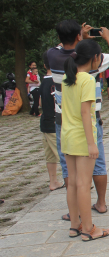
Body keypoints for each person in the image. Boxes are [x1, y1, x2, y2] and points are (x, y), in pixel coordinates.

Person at [47, 21, 109, 221]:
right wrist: (107, 37)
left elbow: (66, 50)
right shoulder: (89, 72)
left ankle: (75, 213)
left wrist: (81, 38)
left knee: (69, 171)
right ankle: (99, 205)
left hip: (63, 122)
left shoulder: (52, 56)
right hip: (88, 124)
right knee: (97, 165)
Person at [61, 39, 109, 241]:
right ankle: (89, 229)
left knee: (73, 183)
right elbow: (85, 113)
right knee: (83, 184)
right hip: (83, 137)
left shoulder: (69, 77)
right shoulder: (88, 80)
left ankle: (75, 225)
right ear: (95, 58)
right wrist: (92, 143)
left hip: (68, 136)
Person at [39, 54, 63, 191]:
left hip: (45, 123)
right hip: (55, 123)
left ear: (44, 66)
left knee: (50, 156)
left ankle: (53, 181)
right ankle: (74, 181)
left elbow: (40, 103)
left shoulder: (43, 82)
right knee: (63, 155)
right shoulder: (56, 83)